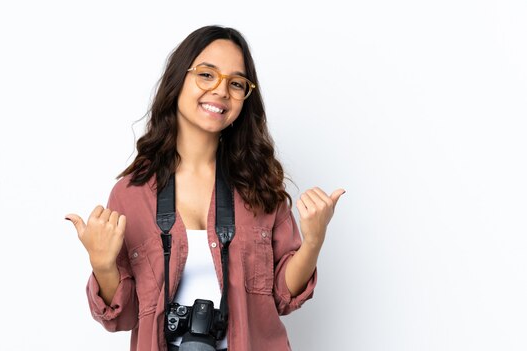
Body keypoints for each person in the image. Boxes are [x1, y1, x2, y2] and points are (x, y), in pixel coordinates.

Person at [65, 25, 345, 351]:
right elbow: (123, 317)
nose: (222, 91)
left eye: (236, 83)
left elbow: (283, 297)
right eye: (207, 75)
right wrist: (102, 266)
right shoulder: (132, 193)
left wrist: (313, 241)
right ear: (178, 80)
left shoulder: (259, 185)